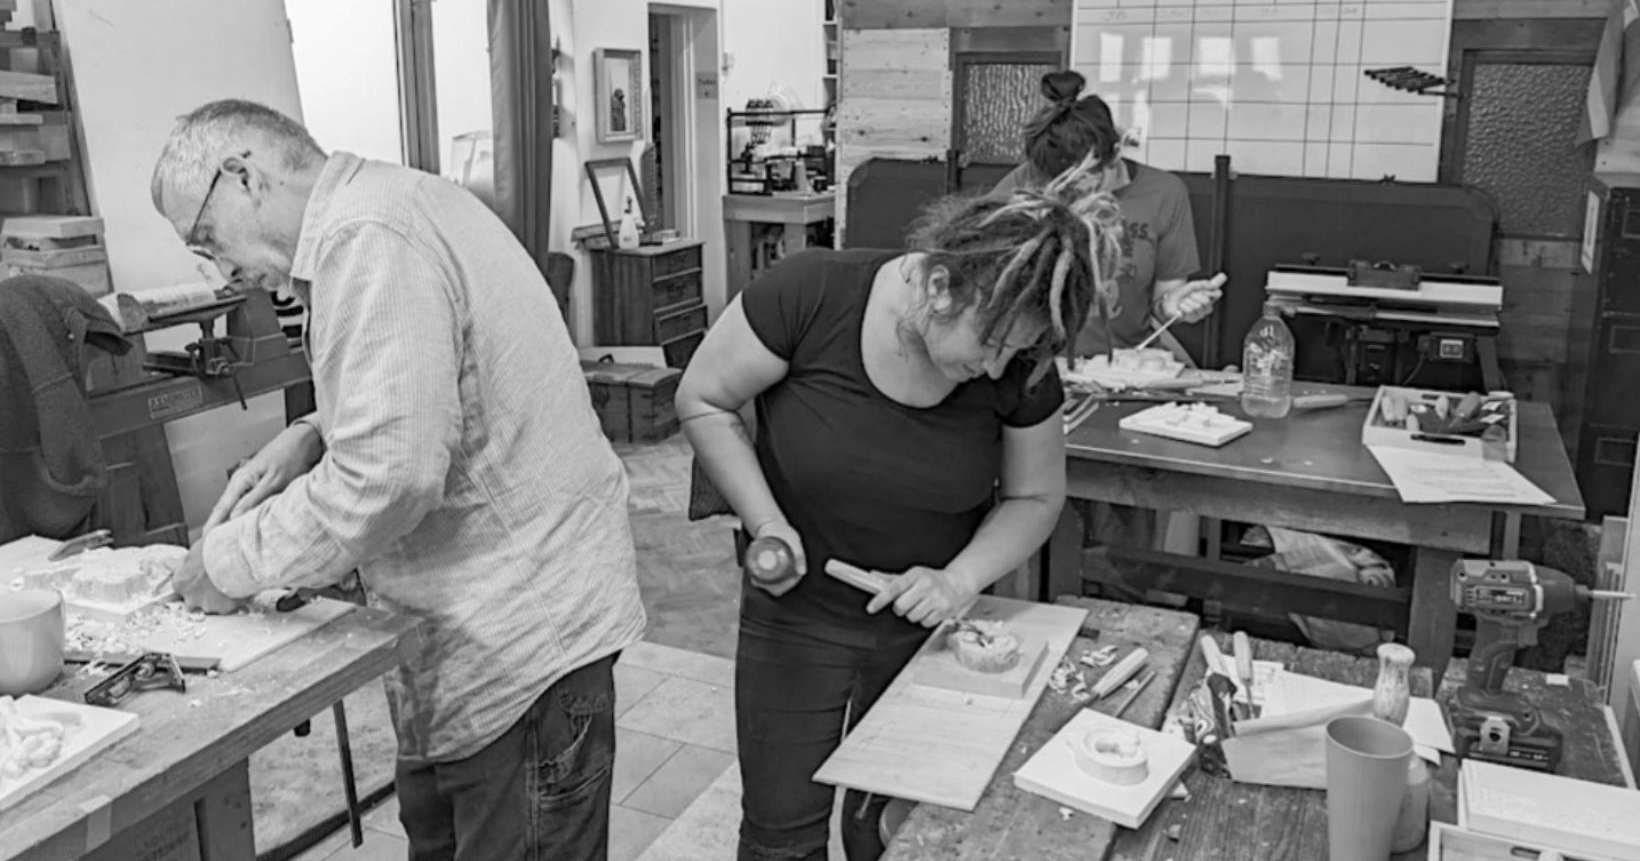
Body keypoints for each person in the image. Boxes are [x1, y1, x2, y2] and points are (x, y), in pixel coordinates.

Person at [148, 99, 645, 861]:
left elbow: (387, 479)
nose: (224, 272)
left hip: (520, 645)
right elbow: (433, 372)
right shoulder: (388, 200)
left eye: (208, 240)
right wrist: (314, 431)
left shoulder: (368, 237)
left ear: (243, 176)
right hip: (482, 635)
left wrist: (227, 560)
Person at [676, 156, 1124, 861]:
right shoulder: (810, 292)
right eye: (990, 345)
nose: (997, 370)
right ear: (940, 286)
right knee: (780, 836)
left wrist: (958, 580)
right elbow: (704, 399)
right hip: (798, 620)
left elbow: (1037, 496)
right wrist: (768, 522)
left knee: (893, 834)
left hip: (931, 634)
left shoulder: (1018, 364)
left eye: (1018, 353)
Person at [990, 70, 1223, 358]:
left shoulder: (1165, 193)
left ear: (1115, 154)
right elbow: (979, 267)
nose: (1072, 191)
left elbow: (1163, 302)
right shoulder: (1026, 179)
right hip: (1033, 359)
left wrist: (1174, 306)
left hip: (1123, 363)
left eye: (1083, 181)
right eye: (1060, 182)